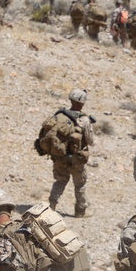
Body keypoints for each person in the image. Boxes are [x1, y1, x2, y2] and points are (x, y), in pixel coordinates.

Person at [36, 89, 96, 218]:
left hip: (59, 157)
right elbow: (90, 141)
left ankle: (50, 207)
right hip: (76, 159)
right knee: (80, 184)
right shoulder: (84, 120)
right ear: (83, 103)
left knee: (60, 181)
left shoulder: (59, 115)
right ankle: (81, 211)